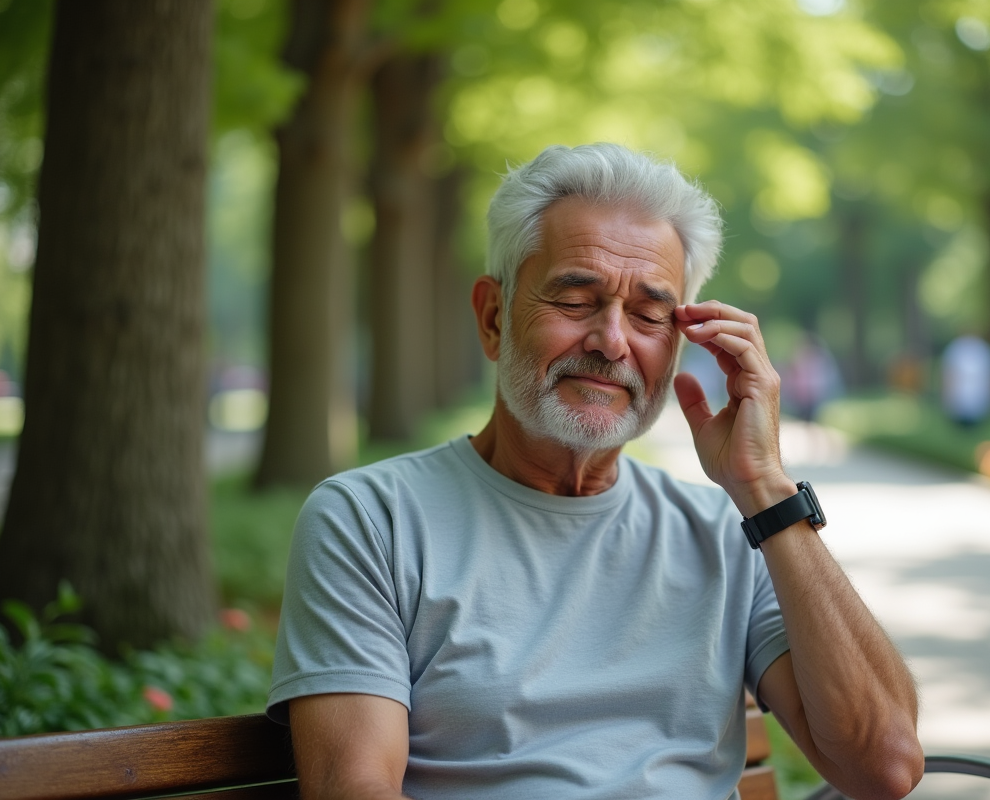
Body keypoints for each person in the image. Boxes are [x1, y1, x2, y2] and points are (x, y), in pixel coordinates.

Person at [267, 143, 923, 800]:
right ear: (494, 318)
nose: (612, 342)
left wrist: (766, 489)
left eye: (648, 314)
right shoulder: (369, 521)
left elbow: (884, 766)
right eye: (576, 300)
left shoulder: (729, 532)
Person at [940, 334, 990, 427]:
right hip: (959, 402)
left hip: (979, 402)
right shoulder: (956, 348)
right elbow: (948, 375)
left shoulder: (984, 349)